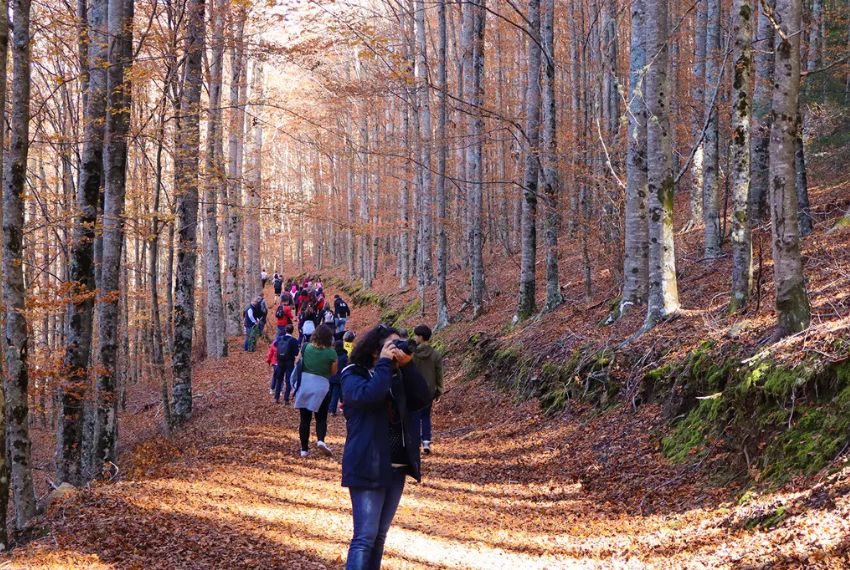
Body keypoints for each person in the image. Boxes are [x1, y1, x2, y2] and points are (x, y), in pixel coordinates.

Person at [340, 324, 432, 570]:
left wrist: (408, 365)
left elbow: (423, 398)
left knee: (380, 536)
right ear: (374, 351)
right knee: (364, 537)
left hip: (396, 464)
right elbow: (370, 396)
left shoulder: (396, 374)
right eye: (390, 346)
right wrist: (383, 364)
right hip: (367, 463)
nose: (395, 350)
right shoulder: (353, 373)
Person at [293, 325, 338, 457]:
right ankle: (320, 440)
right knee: (321, 417)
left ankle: (304, 449)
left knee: (305, 419)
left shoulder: (306, 346)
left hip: (305, 385)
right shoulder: (332, 353)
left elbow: (297, 361)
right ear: (329, 338)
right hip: (322, 387)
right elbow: (333, 371)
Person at [412, 324, 443, 455]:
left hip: (414, 390)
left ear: (420, 337)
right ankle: (426, 442)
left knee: (414, 417)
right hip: (429, 390)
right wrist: (439, 389)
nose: (415, 338)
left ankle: (414, 443)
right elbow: (439, 374)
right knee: (425, 417)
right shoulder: (435, 354)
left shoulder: (413, 354)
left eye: (416, 335)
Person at [274, 324, 300, 404]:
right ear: (292, 331)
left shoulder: (279, 338)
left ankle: (276, 398)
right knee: (288, 380)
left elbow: (275, 345)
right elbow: (296, 353)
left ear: (285, 330)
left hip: (280, 361)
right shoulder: (294, 340)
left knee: (279, 379)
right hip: (289, 362)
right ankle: (286, 399)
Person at [328, 339, 348, 416]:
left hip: (331, 376)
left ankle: (328, 408)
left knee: (329, 393)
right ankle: (332, 410)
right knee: (335, 394)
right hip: (339, 378)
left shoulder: (333, 354)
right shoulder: (344, 357)